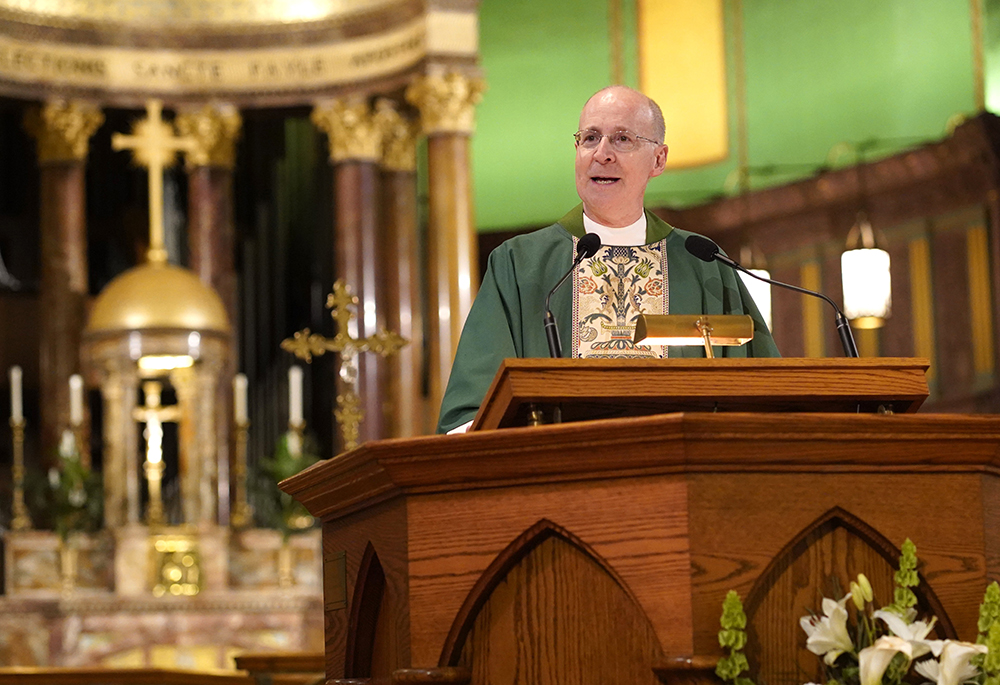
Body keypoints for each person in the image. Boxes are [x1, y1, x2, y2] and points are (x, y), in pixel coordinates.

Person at [437, 86, 779, 433]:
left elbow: (765, 400)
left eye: (622, 139)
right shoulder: (519, 264)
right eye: (590, 138)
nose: (602, 154)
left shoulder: (702, 263)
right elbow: (473, 416)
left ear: (658, 160)